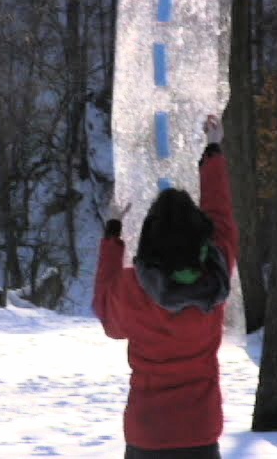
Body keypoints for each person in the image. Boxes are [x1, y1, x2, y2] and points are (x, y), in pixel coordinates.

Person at [93, 114, 239, 459]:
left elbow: (105, 312)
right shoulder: (215, 277)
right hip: (200, 433)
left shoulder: (133, 290)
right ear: (201, 238)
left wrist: (113, 234)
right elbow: (221, 216)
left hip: (148, 436)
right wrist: (213, 150)